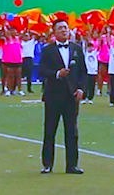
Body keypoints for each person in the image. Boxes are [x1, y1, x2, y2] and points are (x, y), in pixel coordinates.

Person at [38, 18, 85, 175]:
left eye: (65, 28)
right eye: (60, 28)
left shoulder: (77, 49)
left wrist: (81, 89)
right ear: (54, 32)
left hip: (71, 96)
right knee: (50, 130)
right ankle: (47, 164)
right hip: (53, 96)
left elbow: (83, 72)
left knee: (72, 131)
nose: (64, 30)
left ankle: (72, 165)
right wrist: (57, 74)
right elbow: (41, 71)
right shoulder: (47, 50)